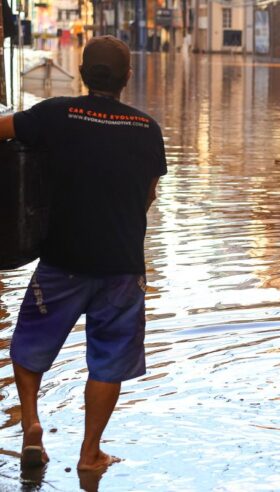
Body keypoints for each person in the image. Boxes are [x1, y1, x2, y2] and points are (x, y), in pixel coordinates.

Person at [0, 36, 166, 471]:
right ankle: (91, 453)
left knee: (30, 344)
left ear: (80, 72)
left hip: (63, 260)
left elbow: (3, 130)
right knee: (109, 361)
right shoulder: (147, 129)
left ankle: (32, 424)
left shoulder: (56, 114)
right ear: (128, 78)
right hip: (122, 267)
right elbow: (148, 194)